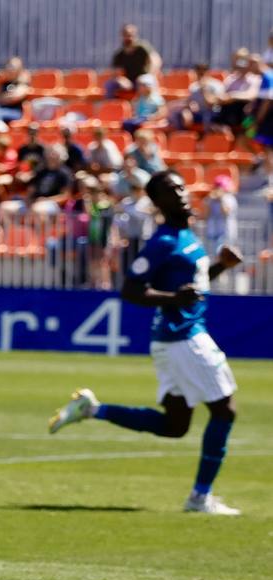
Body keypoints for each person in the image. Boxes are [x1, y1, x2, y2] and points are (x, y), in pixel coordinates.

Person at [49, 170, 243, 515]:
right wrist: (172, 299)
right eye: (172, 190)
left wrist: (220, 267)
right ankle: (200, 498)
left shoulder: (186, 236)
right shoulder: (163, 242)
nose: (181, 194)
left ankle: (93, 409)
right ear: (158, 202)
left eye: (181, 186)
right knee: (224, 411)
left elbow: (192, 288)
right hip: (184, 338)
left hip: (176, 338)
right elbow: (131, 290)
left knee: (175, 426)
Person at [105, 23, 160, 98]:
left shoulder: (142, 48)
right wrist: (121, 79)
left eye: (130, 35)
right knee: (110, 85)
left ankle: (146, 107)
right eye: (125, 35)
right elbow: (115, 72)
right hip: (129, 82)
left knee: (145, 82)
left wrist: (150, 74)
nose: (128, 38)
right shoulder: (120, 54)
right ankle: (113, 107)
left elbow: (156, 60)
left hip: (143, 79)